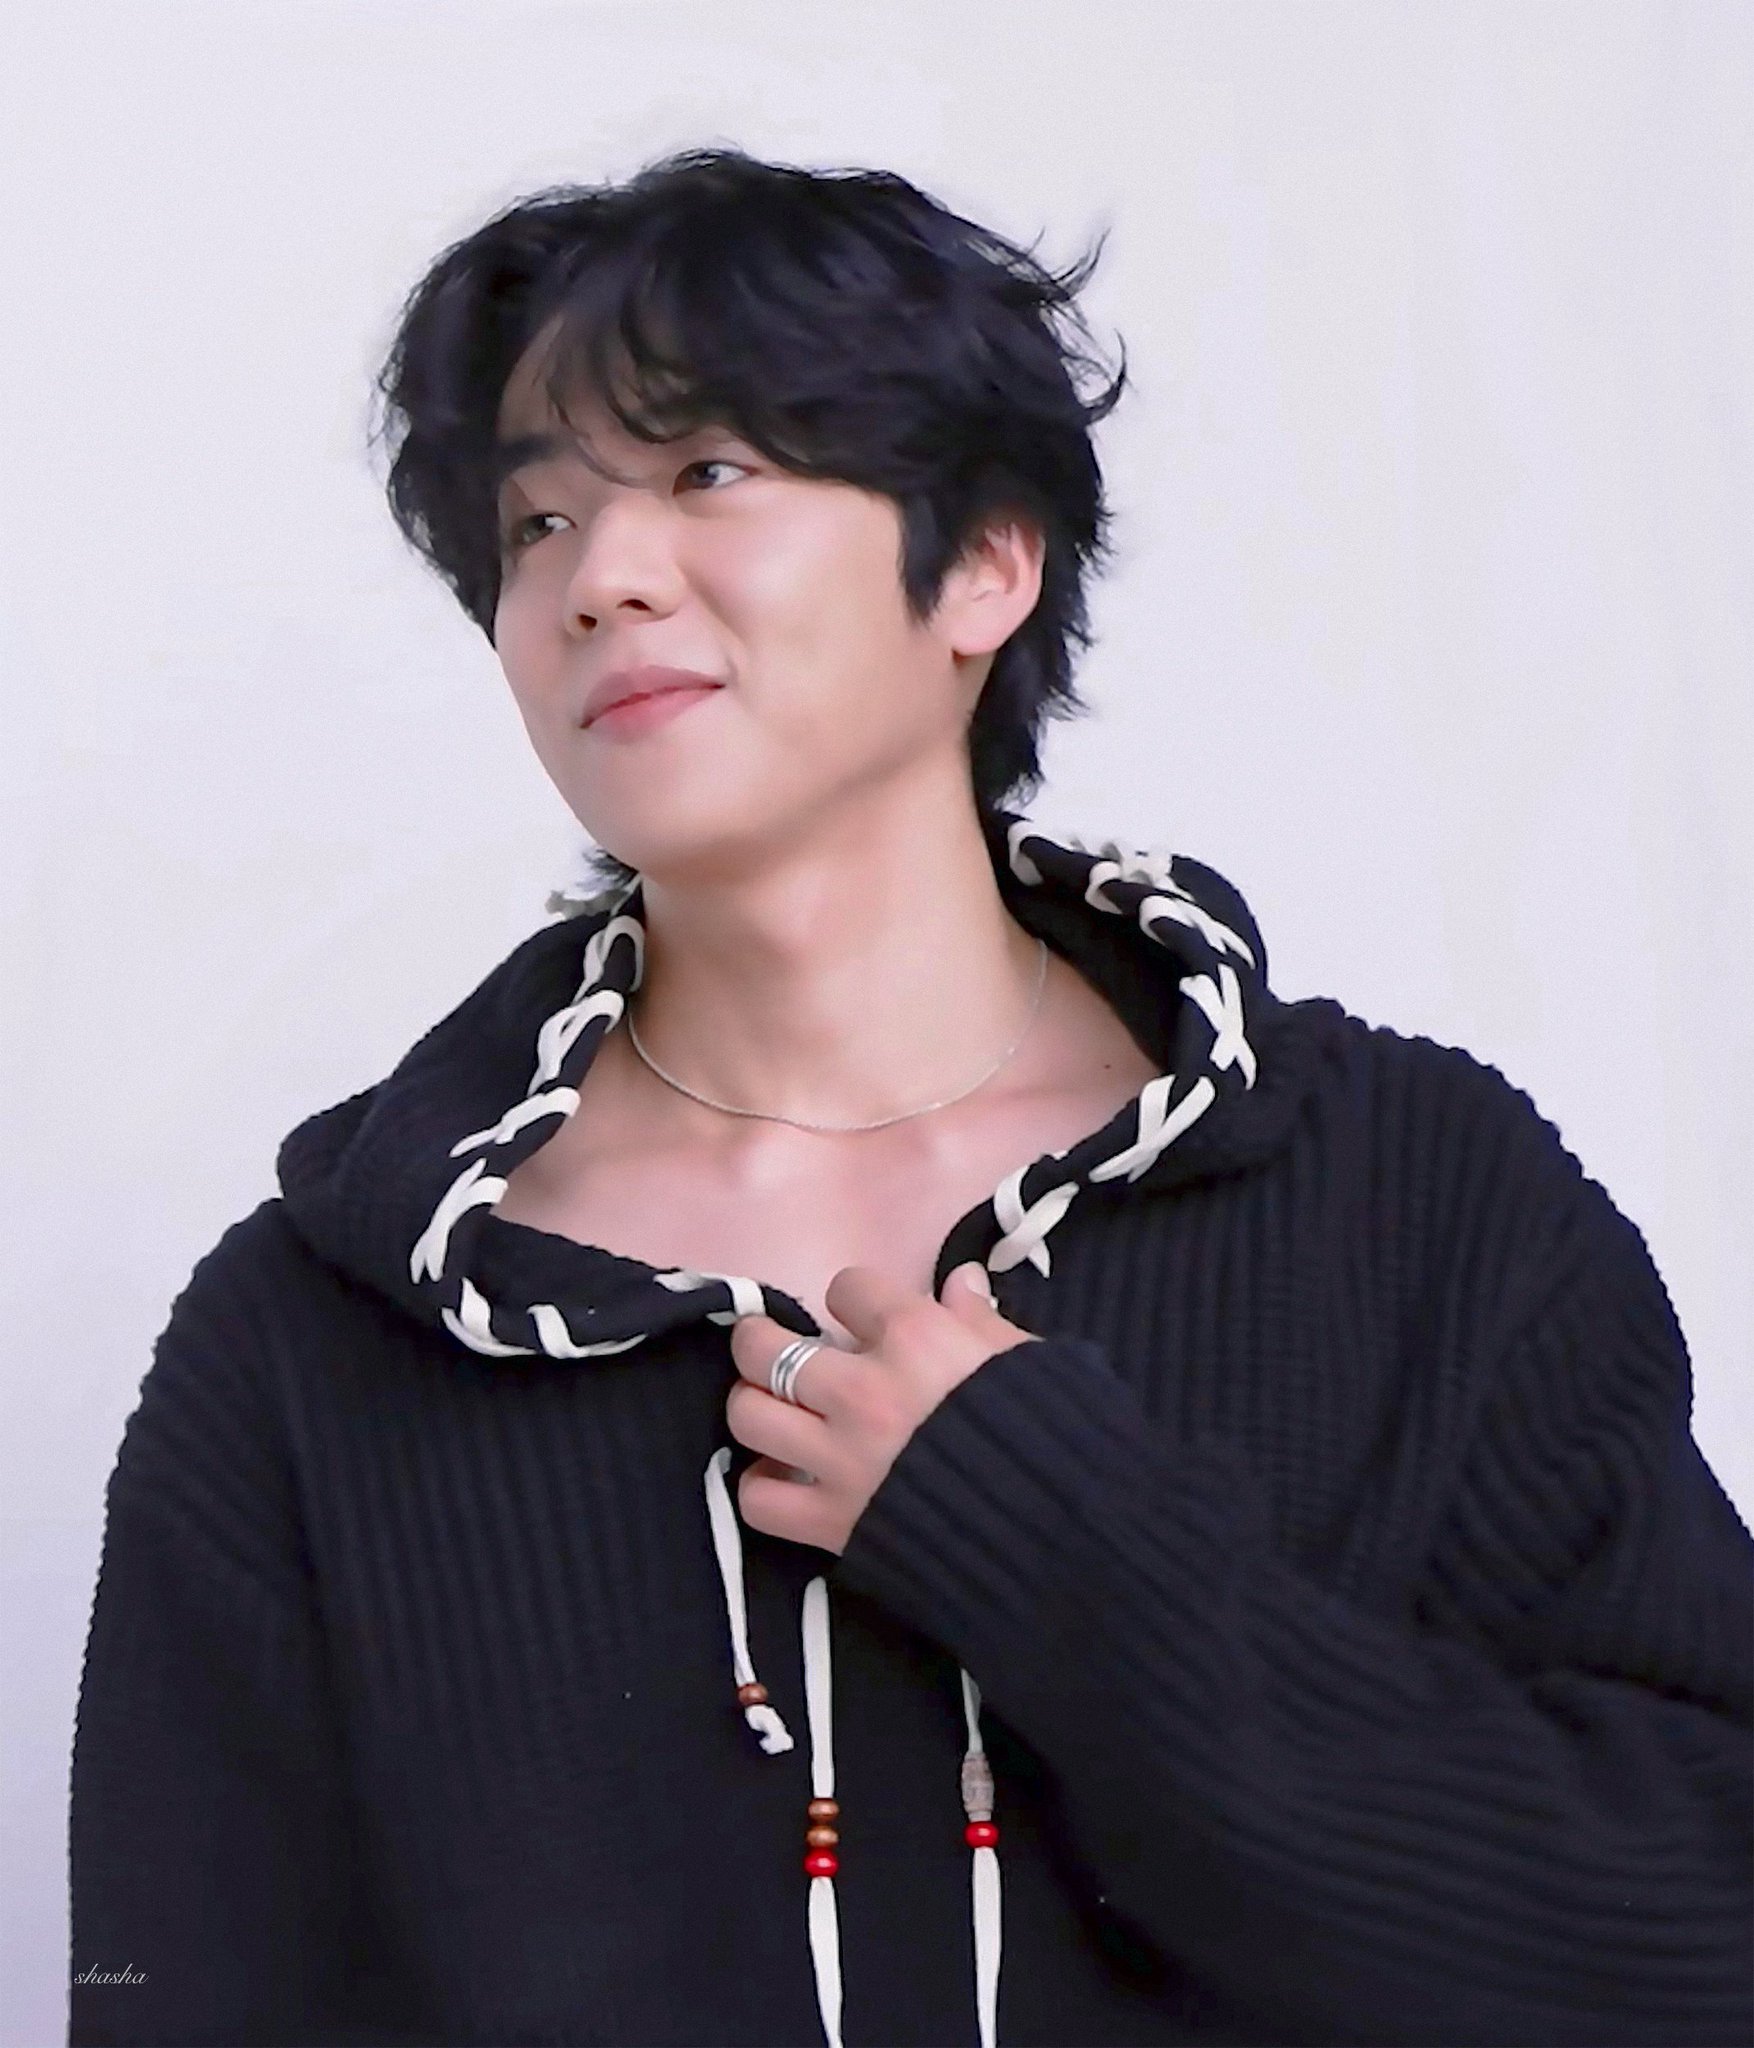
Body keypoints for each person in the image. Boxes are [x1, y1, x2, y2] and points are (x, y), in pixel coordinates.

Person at [68, 145, 1751, 2048]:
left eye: (707, 472)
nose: (599, 580)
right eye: (535, 524)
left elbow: (1700, 1939)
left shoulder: (1412, 1201)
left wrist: (1076, 1562)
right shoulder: (317, 1335)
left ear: (983, 564)